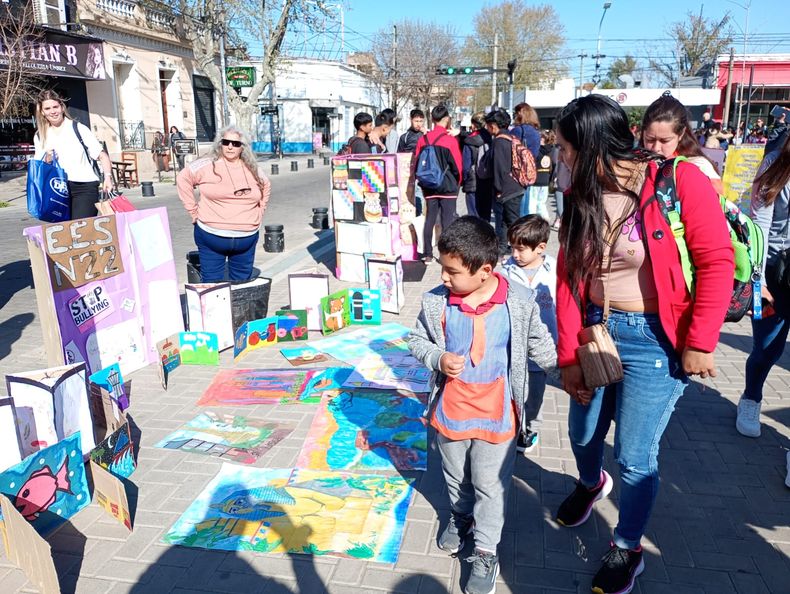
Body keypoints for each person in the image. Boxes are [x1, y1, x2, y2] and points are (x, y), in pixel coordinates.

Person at [553, 95, 734, 594]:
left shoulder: (678, 182)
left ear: (590, 146)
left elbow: (717, 261)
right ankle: (591, 485)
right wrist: (569, 356)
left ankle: (627, 546)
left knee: (634, 455)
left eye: (566, 148)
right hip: (595, 331)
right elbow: (567, 278)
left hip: (654, 340)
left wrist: (700, 341)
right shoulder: (580, 194)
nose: (560, 157)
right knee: (584, 432)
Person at [408, 216, 556, 594]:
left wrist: (568, 373)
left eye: (451, 271)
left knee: (491, 484)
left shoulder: (519, 302)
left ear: (484, 270)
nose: (443, 277)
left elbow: (539, 344)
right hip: (451, 411)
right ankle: (460, 517)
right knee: (457, 477)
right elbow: (416, 340)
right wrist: (437, 358)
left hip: (497, 413)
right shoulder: (437, 302)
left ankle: (487, 551)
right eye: (442, 268)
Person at [736, 133, 790, 442]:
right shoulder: (775, 163)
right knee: (768, 348)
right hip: (775, 272)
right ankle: (751, 398)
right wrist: (761, 282)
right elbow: (760, 225)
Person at [177, 125, 271, 282]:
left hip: (246, 238)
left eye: (236, 143)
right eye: (226, 142)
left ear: (243, 147)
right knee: (212, 287)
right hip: (212, 236)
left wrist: (260, 212)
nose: (230, 147)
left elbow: (266, 185)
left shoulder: (252, 167)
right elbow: (183, 178)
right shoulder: (207, 164)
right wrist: (193, 212)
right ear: (219, 143)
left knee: (241, 286)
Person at [501, 215, 557, 454]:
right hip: (512, 345)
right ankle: (512, 425)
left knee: (535, 393)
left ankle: (530, 426)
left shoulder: (554, 270)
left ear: (541, 247)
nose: (515, 254)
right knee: (513, 388)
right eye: (512, 247)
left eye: (521, 249)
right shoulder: (504, 271)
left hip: (542, 347)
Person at [32, 90, 114, 220]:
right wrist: (47, 159)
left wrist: (108, 178)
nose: (53, 111)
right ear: (42, 112)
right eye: (47, 108)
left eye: (55, 107)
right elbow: (39, 166)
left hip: (84, 187)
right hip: (57, 190)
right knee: (65, 234)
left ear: (62, 107)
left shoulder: (78, 128)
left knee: (81, 230)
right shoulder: (40, 135)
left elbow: (102, 155)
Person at [641, 93, 724, 194]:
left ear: (681, 134)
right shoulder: (634, 162)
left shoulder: (699, 167)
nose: (656, 148)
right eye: (650, 139)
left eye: (665, 141)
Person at [413, 105, 463, 262]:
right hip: (447, 186)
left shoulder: (423, 139)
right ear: (446, 119)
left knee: (430, 219)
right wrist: (458, 182)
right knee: (447, 221)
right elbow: (457, 166)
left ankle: (427, 254)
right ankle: (445, 255)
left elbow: (416, 162)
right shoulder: (450, 140)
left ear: (432, 119)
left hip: (429, 185)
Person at [485, 108, 523, 256]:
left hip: (507, 189)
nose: (488, 129)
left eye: (488, 126)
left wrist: (498, 188)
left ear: (493, 125)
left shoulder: (499, 141)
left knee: (510, 221)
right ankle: (505, 246)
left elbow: (499, 168)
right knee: (506, 221)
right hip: (515, 186)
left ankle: (519, 248)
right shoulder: (511, 137)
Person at [521, 130, 555, 220]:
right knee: (542, 203)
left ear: (543, 138)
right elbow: (554, 165)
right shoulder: (552, 150)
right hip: (545, 180)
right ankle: (545, 220)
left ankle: (532, 221)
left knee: (532, 203)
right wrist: (550, 179)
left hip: (535, 180)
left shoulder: (536, 150)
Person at [461, 112, 486, 218]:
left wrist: (465, 179)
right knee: (485, 215)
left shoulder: (469, 141)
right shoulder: (491, 138)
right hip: (487, 181)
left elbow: (466, 165)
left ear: (475, 125)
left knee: (473, 214)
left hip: (472, 180)